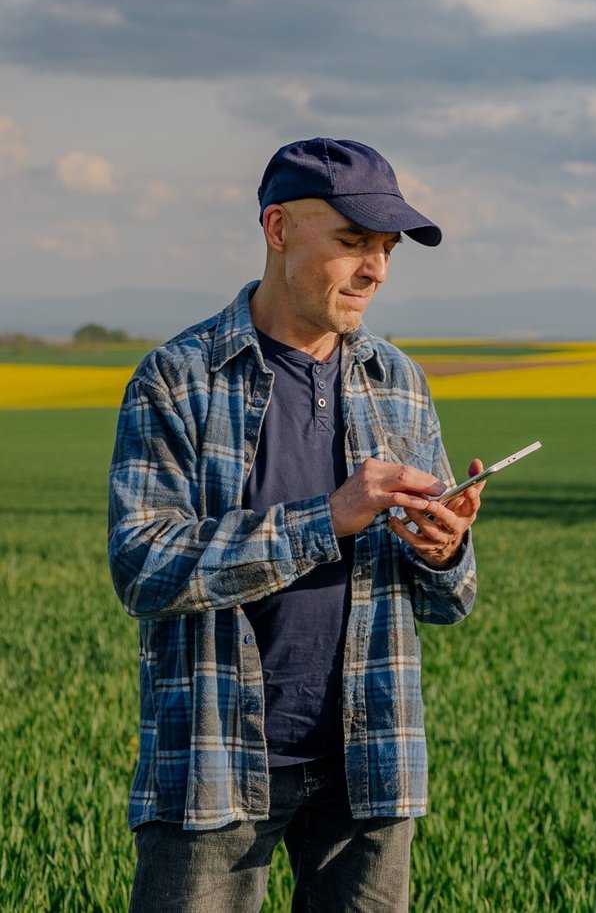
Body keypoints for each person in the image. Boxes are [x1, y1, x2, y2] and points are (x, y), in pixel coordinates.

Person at [108, 138, 485, 912]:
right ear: (278, 229)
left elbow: (452, 600)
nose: (375, 267)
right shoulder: (178, 379)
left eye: (385, 249)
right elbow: (143, 565)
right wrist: (329, 517)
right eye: (352, 242)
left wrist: (446, 549)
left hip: (371, 763)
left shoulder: (401, 382)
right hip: (212, 766)